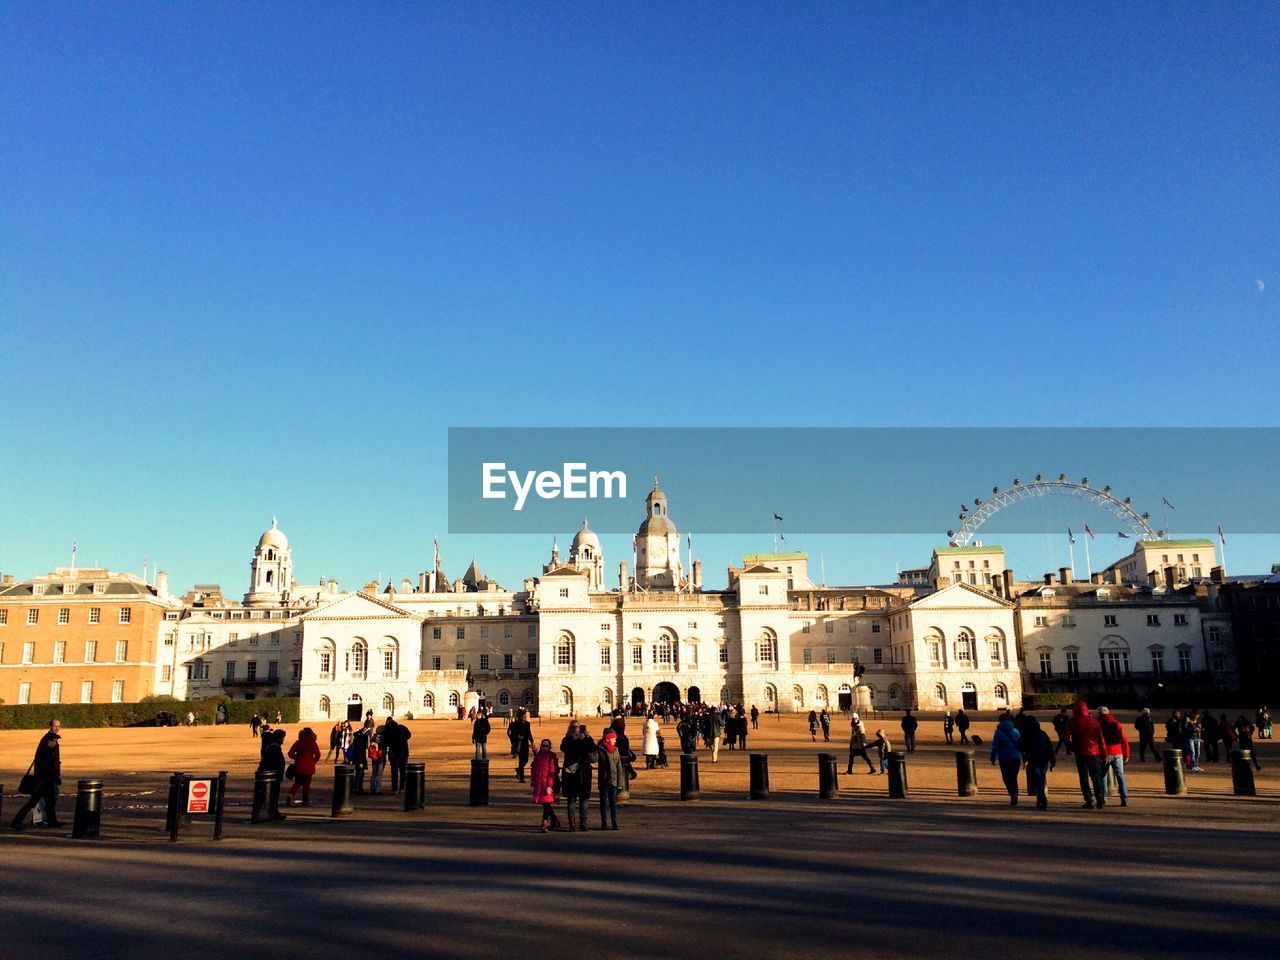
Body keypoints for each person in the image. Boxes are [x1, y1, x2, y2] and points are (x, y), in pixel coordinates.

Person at [10, 720, 62, 831]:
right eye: (55, 726)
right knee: (34, 802)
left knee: (49, 801)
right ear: (50, 726)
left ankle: (52, 821)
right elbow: (46, 764)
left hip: (44, 778)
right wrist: (55, 776)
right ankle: (16, 822)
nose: (55, 742)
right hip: (43, 780)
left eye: (59, 726)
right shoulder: (47, 743)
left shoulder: (46, 743)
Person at [1065, 700, 1107, 809]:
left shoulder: (1073, 722)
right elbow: (1101, 740)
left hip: (1080, 753)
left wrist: (1071, 747)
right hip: (1094, 753)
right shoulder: (1094, 722)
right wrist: (1104, 754)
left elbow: (1065, 737)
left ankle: (1088, 799)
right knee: (1096, 776)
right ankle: (1100, 797)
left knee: (1083, 778)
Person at [559, 720, 596, 831]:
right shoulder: (567, 739)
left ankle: (583, 823)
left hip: (583, 773)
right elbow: (564, 748)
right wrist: (573, 740)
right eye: (573, 727)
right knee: (571, 799)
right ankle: (572, 824)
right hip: (571, 773)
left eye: (577, 727)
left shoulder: (584, 738)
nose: (576, 729)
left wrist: (588, 737)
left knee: (584, 799)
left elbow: (593, 749)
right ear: (570, 728)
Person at [1097, 706, 1130, 807]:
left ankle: (1103, 797)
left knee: (1103, 776)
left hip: (1105, 752)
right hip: (1118, 752)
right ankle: (1124, 799)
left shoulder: (1098, 724)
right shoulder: (1117, 723)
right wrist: (1127, 754)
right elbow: (1124, 739)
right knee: (1120, 775)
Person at [989, 712, 1023, 805]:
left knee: (1006, 778)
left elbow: (995, 746)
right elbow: (1021, 745)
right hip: (1016, 757)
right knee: (1013, 777)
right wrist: (1024, 756)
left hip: (1004, 758)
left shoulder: (998, 732)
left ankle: (1012, 793)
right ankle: (1015, 793)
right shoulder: (1016, 731)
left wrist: (992, 757)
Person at [1024, 719, 1056, 810]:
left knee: (1037, 780)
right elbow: (1050, 747)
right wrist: (1052, 760)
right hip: (1044, 760)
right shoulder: (1043, 734)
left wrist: (1025, 757)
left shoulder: (1028, 735)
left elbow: (1023, 747)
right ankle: (1040, 797)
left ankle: (1042, 798)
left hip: (1033, 760)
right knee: (1041, 778)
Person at [256, 729, 288, 820]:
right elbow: (276, 762)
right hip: (273, 775)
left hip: (272, 774)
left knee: (272, 795)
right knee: (273, 795)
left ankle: (272, 812)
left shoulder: (271, 747)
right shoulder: (274, 748)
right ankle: (272, 812)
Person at [530, 739, 561, 832]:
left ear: (549, 747)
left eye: (546, 746)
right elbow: (534, 771)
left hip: (547, 784)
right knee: (545, 804)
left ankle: (544, 822)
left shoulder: (551, 757)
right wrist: (532, 784)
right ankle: (554, 818)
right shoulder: (538, 756)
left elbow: (552, 772)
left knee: (546, 804)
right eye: (543, 745)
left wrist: (549, 786)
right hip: (539, 784)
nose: (544, 747)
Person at [286, 727, 321, 806]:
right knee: (307, 784)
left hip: (299, 765)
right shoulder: (312, 742)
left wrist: (296, 757)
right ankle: (305, 801)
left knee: (298, 783)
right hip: (310, 766)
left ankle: (290, 795)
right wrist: (313, 761)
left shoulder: (298, 742)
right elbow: (318, 755)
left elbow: (290, 754)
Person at [597, 727, 623, 830]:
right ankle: (604, 822)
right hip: (604, 779)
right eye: (613, 738)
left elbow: (619, 767)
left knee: (613, 802)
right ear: (608, 739)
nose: (615, 740)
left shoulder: (615, 750)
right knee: (603, 802)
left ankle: (614, 822)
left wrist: (620, 783)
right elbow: (594, 759)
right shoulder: (600, 749)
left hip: (614, 779)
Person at [509, 708, 534, 782]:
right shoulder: (515, 724)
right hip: (518, 744)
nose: (525, 717)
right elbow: (511, 734)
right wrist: (517, 736)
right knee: (521, 760)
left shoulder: (527, 724)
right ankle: (521, 778)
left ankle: (519, 769)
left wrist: (532, 741)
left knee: (525, 760)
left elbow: (529, 733)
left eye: (525, 716)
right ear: (520, 717)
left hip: (525, 743)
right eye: (524, 716)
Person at [351, 724, 370, 794]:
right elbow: (359, 752)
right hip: (359, 760)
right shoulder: (361, 740)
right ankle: (358, 789)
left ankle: (358, 788)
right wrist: (360, 762)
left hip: (357, 759)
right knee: (360, 774)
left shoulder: (358, 738)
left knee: (359, 774)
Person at [368, 723, 386, 794]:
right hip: (380, 757)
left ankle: (372, 789)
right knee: (379, 774)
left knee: (373, 773)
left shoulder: (374, 736)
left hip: (374, 757)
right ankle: (377, 790)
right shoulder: (383, 737)